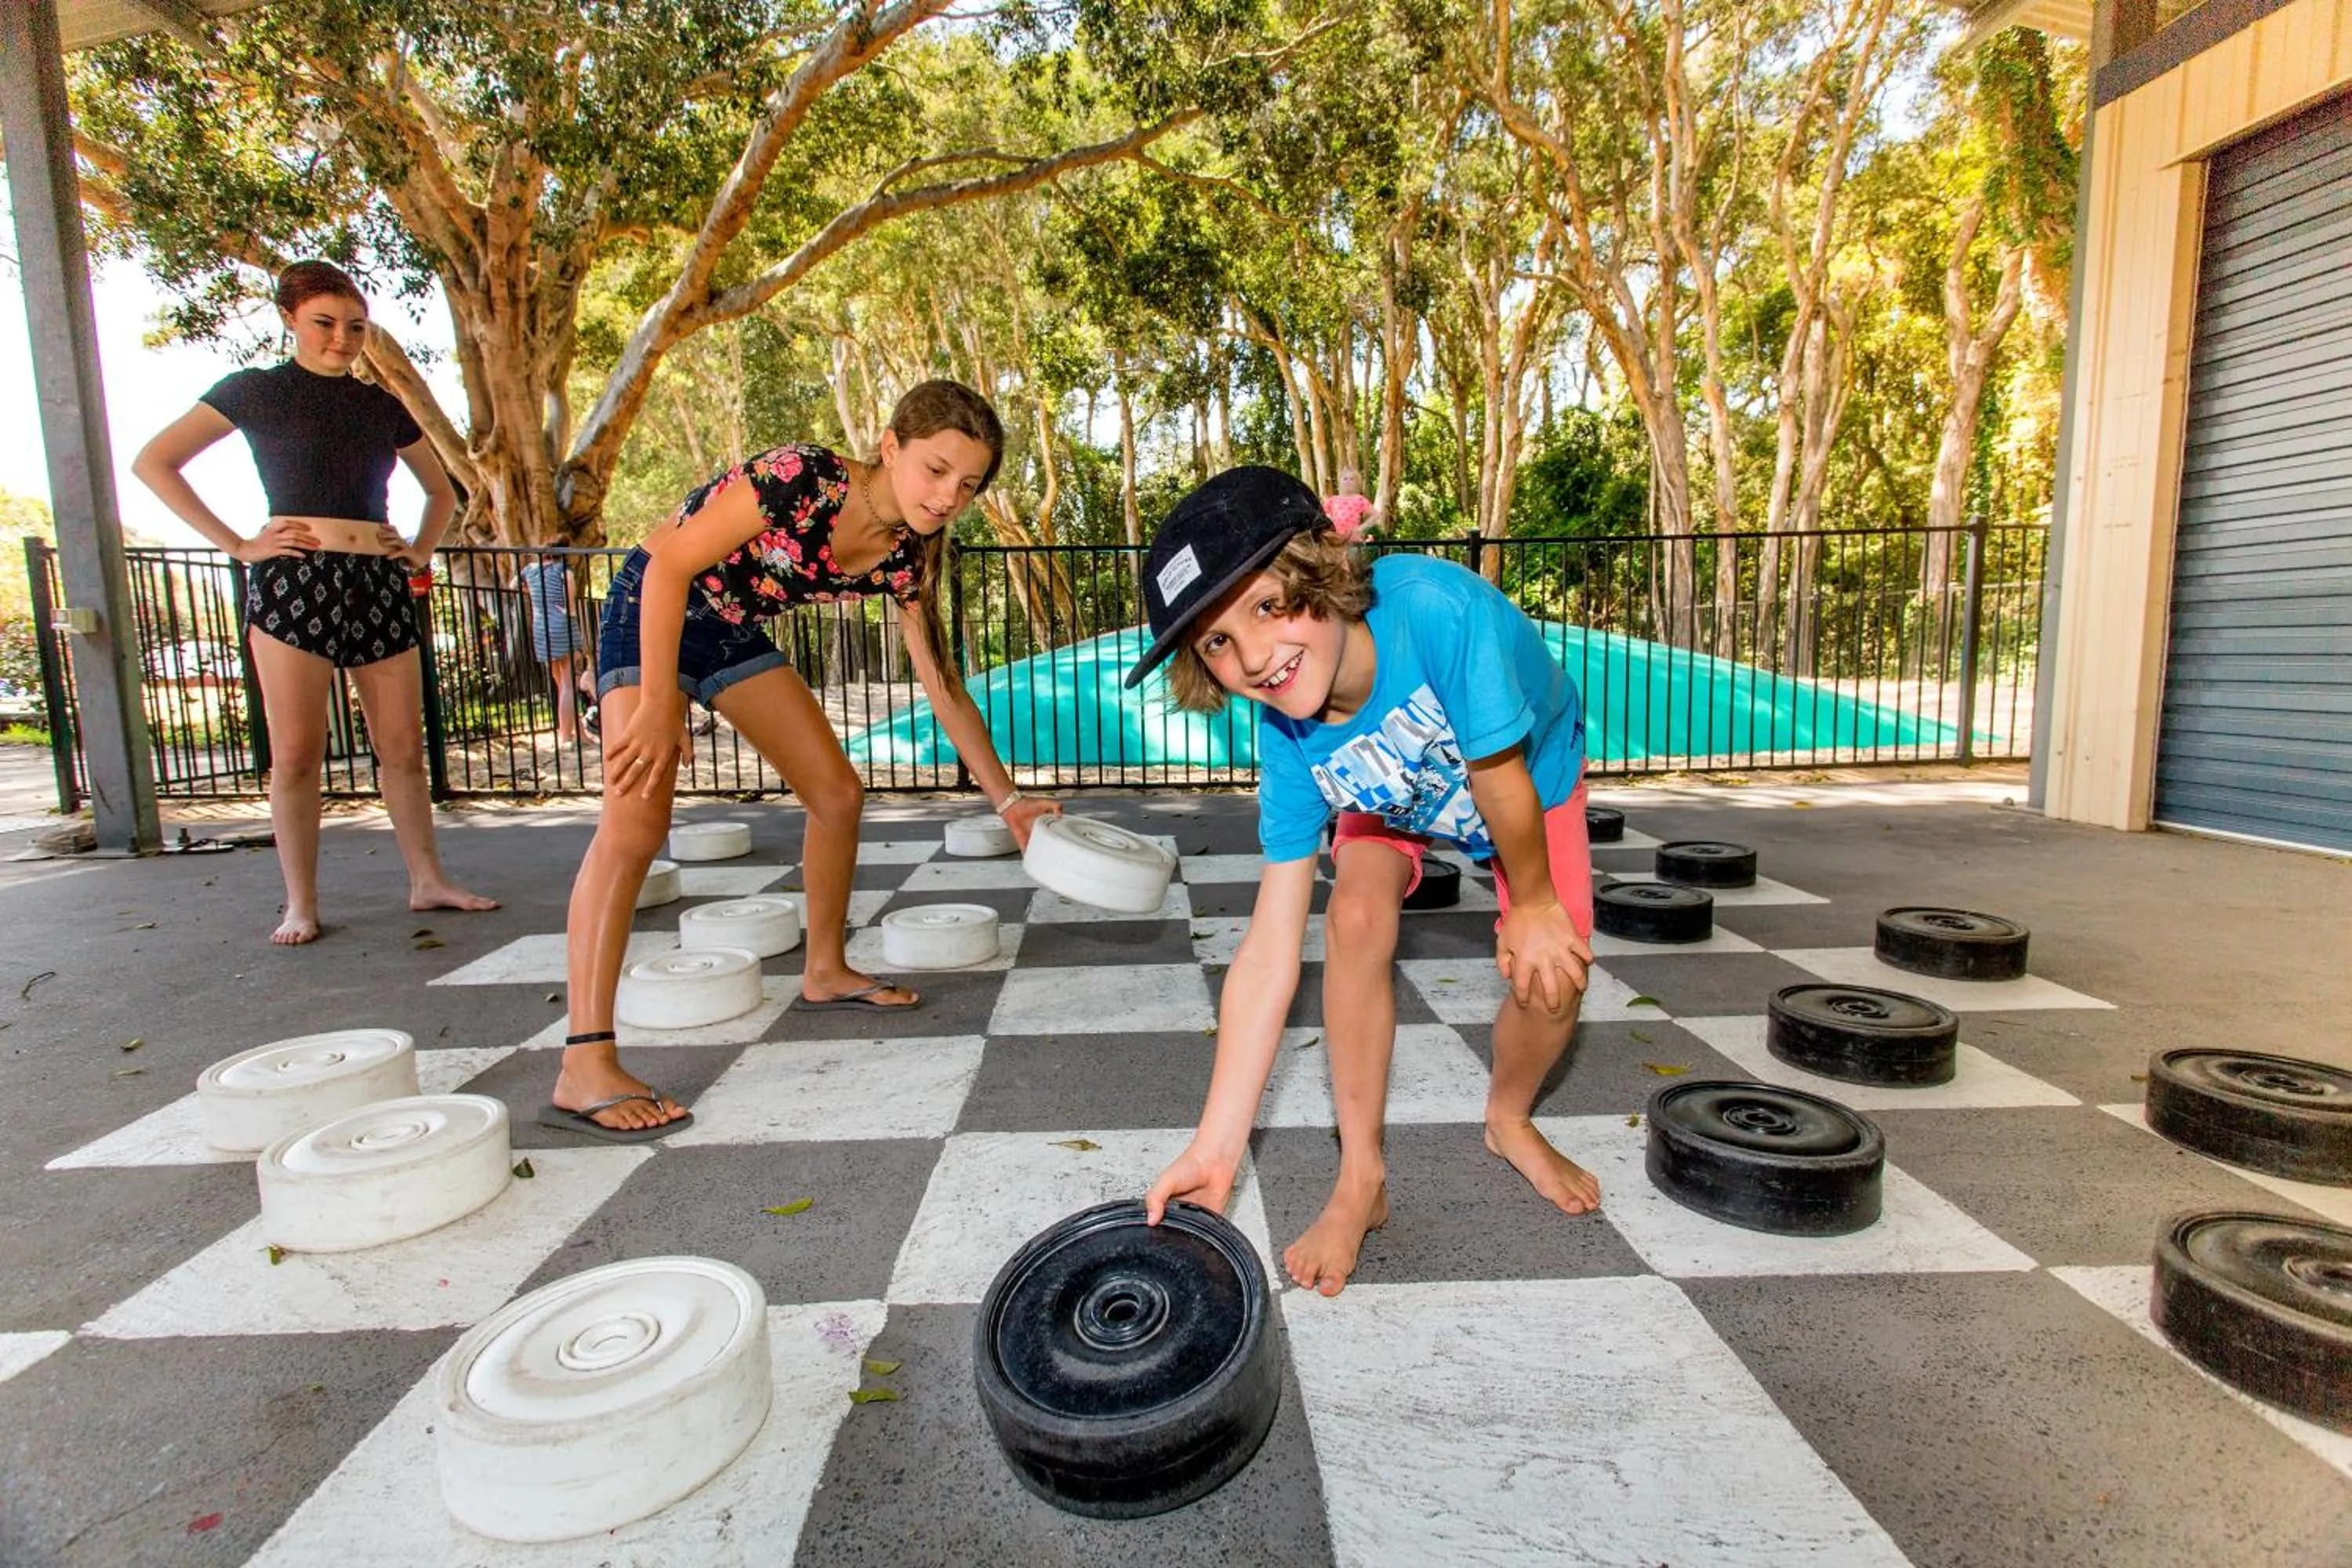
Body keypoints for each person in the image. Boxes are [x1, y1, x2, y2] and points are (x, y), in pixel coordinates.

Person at [1127, 466, 1599, 1296]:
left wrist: (1529, 904)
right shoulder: (1290, 740)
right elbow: (1270, 951)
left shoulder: (1440, 610)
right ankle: (1361, 1178)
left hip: (1526, 775)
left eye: (1268, 606)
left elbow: (1497, 778)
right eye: (1218, 641)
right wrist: (1216, 1145)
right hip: (1390, 795)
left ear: (1326, 569)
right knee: (1350, 916)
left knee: (1551, 974)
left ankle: (1508, 1116)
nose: (1257, 656)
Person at [549, 380, 1058, 1140]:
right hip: (651, 606)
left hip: (728, 628)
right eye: (936, 468)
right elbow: (668, 565)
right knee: (637, 817)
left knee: (836, 793)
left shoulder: (906, 554)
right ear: (890, 446)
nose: (950, 494)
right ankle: (583, 1061)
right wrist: (658, 700)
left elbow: (944, 687)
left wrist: (1008, 799)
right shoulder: (804, 476)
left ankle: (824, 969)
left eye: (969, 483)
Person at [132, 260, 498, 946]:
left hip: (379, 581)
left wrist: (419, 550)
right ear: (291, 321)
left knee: (403, 749)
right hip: (293, 580)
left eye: (355, 326)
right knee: (299, 752)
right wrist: (239, 543)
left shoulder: (379, 405)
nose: (341, 338)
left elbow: (444, 489)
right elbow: (155, 462)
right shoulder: (255, 391)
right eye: (325, 324)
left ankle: (429, 881)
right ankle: (300, 903)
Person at [517, 550, 587, 742]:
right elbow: (571, 608)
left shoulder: (530, 571)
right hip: (562, 625)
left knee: (561, 684)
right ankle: (565, 736)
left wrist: (532, 592)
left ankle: (579, 733)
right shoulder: (564, 571)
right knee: (569, 684)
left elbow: (513, 584)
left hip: (541, 628)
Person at [1323, 466, 1378, 540]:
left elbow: (1376, 515)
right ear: (1340, 481)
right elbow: (1322, 515)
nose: (1348, 481)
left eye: (1352, 479)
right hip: (1335, 541)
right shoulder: (1332, 501)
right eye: (1345, 478)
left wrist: (1361, 529)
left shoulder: (1359, 499)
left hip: (1353, 541)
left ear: (1357, 483)